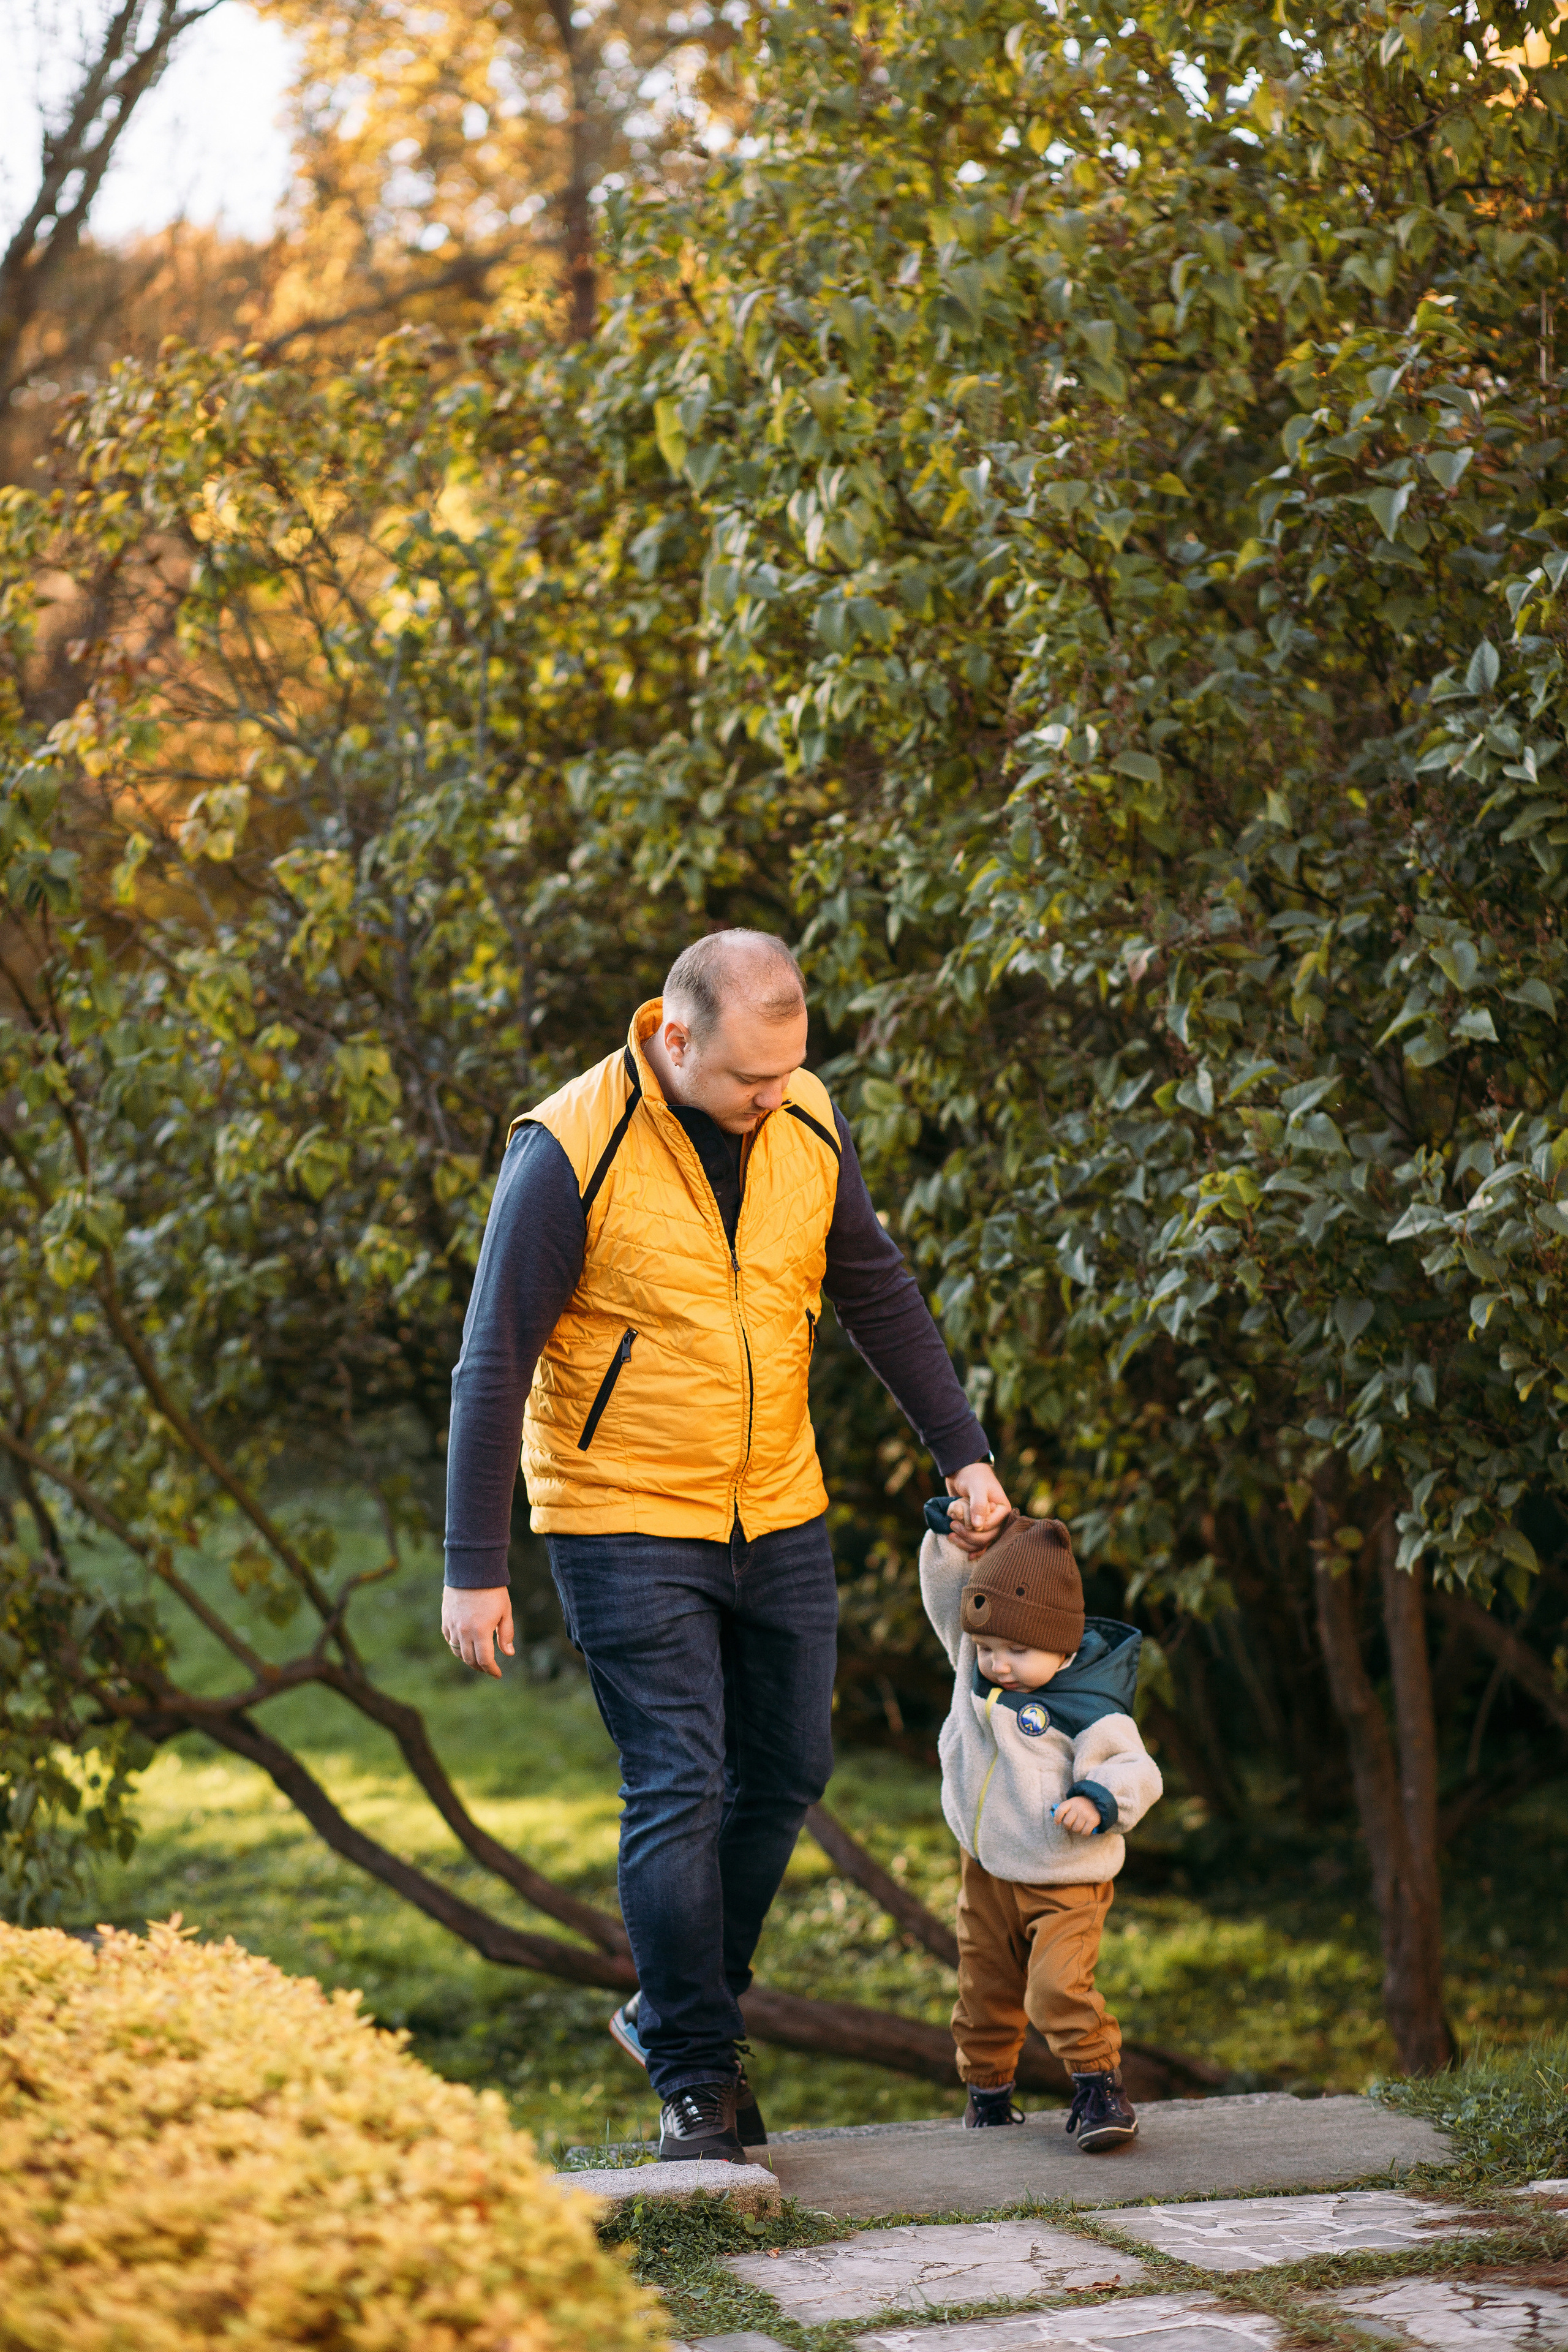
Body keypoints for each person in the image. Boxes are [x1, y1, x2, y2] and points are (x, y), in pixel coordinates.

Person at [440, 929, 1011, 2163]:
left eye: (789, 1070)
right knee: (679, 1782)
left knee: (788, 1771)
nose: (774, 1098)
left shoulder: (801, 1117)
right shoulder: (566, 1151)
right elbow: (490, 1361)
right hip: (620, 1511)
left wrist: (960, 1449)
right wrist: (471, 1566)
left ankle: (668, 2006)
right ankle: (696, 2076)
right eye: (753, 1078)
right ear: (678, 1037)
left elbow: (871, 1284)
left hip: (776, 1501)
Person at [918, 1498, 1163, 2152]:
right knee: (982, 1994)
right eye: (989, 1647)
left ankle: (1099, 2088)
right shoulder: (975, 1668)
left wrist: (1097, 1798)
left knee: (1056, 1989)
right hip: (989, 1867)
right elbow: (950, 1600)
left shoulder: (1090, 1706)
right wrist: (948, 1543)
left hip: (1063, 1878)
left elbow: (1137, 1769)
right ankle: (989, 2098)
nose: (998, 1663)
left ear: (1059, 1642)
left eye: (1017, 1651)